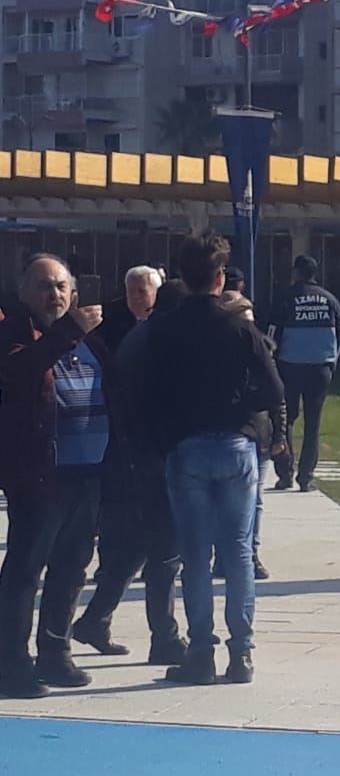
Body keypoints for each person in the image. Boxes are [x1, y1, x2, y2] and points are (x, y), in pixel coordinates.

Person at [141, 235, 285, 687]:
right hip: (236, 441)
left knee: (194, 553)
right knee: (238, 551)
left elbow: (149, 391)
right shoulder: (238, 327)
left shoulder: (163, 328)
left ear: (181, 277)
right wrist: (247, 411)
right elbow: (274, 387)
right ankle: (241, 651)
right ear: (221, 278)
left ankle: (200, 650)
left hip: (186, 444)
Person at [0, 255, 114, 697]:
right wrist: (69, 332)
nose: (56, 295)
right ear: (24, 292)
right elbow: (21, 372)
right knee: (26, 569)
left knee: (71, 565)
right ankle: (11, 663)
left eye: (63, 287)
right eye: (45, 286)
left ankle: (55, 652)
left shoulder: (89, 339)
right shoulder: (15, 334)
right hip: (41, 474)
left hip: (89, 471)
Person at [71, 280, 187, 667]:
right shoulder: (163, 344)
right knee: (165, 553)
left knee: (132, 549)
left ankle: (94, 621)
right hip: (151, 457)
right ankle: (165, 638)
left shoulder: (138, 339)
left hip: (124, 458)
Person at [220, 292, 288, 581]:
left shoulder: (265, 351)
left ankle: (251, 553)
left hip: (259, 432)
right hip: (230, 432)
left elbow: (278, 397)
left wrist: (279, 434)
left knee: (254, 500)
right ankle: (224, 556)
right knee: (222, 501)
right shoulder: (220, 357)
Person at [267, 254, 340, 494]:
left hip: (290, 366)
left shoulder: (286, 298)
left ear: (296, 273)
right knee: (313, 424)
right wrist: (332, 362)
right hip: (321, 367)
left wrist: (272, 361)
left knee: (285, 420)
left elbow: (272, 334)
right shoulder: (330, 299)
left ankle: (285, 473)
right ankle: (306, 477)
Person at [97, 265, 162, 353]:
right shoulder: (112, 323)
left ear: (156, 291)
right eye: (131, 291)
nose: (135, 296)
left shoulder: (165, 322)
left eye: (141, 291)